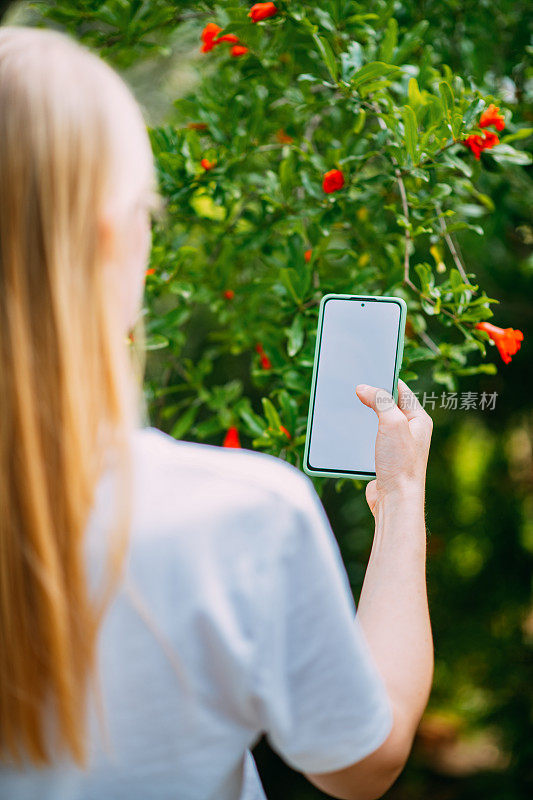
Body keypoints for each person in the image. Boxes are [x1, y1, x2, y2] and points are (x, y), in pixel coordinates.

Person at [0, 25, 433, 800]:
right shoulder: (237, 520)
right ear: (111, 238)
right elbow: (364, 762)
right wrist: (400, 500)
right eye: (147, 210)